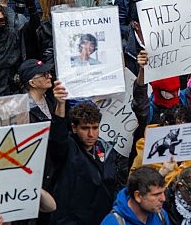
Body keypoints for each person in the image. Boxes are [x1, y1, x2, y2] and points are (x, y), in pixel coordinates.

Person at [49, 83, 120, 224]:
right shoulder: (67, 148)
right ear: (74, 128)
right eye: (85, 128)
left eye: (95, 128)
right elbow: (58, 137)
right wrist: (61, 104)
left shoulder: (106, 149)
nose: (91, 134)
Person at [100, 166, 169, 225]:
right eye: (156, 194)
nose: (163, 199)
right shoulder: (112, 223)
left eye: (163, 192)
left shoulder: (161, 215)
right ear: (138, 196)